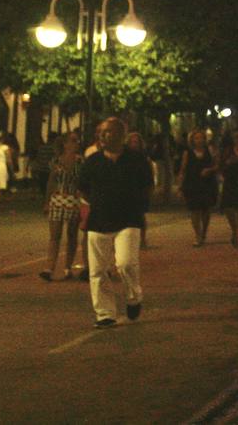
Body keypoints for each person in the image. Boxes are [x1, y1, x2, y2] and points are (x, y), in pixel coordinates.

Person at [78, 117, 153, 329]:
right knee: (98, 270)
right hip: (99, 220)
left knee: (126, 263)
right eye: (101, 132)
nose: (103, 136)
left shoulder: (136, 160)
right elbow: (83, 188)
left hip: (128, 219)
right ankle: (104, 313)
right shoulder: (92, 162)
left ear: (122, 135)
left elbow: (147, 186)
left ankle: (133, 297)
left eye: (108, 132)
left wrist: (139, 205)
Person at [41, 132, 83, 281]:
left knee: (72, 235)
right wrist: (47, 202)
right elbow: (51, 181)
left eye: (77, 141)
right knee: (55, 235)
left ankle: (67, 268)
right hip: (57, 199)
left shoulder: (80, 162)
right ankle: (49, 267)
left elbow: (82, 182)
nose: (76, 143)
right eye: (72, 141)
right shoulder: (56, 161)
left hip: (73, 200)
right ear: (65, 144)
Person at [177, 128, 218, 246]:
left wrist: (209, 170)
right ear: (192, 140)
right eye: (196, 138)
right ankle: (197, 235)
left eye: (201, 138)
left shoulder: (210, 150)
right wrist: (180, 186)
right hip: (192, 183)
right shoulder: (187, 153)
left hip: (207, 183)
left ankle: (204, 232)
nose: (199, 140)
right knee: (194, 210)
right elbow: (183, 170)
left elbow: (217, 165)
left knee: (206, 210)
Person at [124, 133, 155, 250]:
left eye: (136, 142)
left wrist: (150, 189)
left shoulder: (144, 158)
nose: (134, 144)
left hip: (140, 189)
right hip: (127, 189)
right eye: (131, 142)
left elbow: (149, 175)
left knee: (140, 216)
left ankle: (142, 239)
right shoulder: (124, 157)